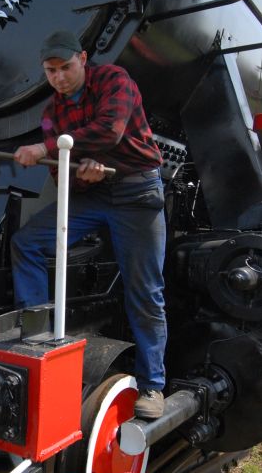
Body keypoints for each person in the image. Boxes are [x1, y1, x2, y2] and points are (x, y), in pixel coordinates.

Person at [11, 29, 167, 420]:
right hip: (94, 196)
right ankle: (37, 339)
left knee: (145, 291)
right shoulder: (52, 113)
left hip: (136, 191)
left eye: (66, 67)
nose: (59, 77)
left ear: (82, 59)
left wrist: (47, 149)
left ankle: (153, 386)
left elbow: (109, 130)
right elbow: (61, 179)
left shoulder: (115, 79)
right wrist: (84, 173)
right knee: (25, 243)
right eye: (51, 71)